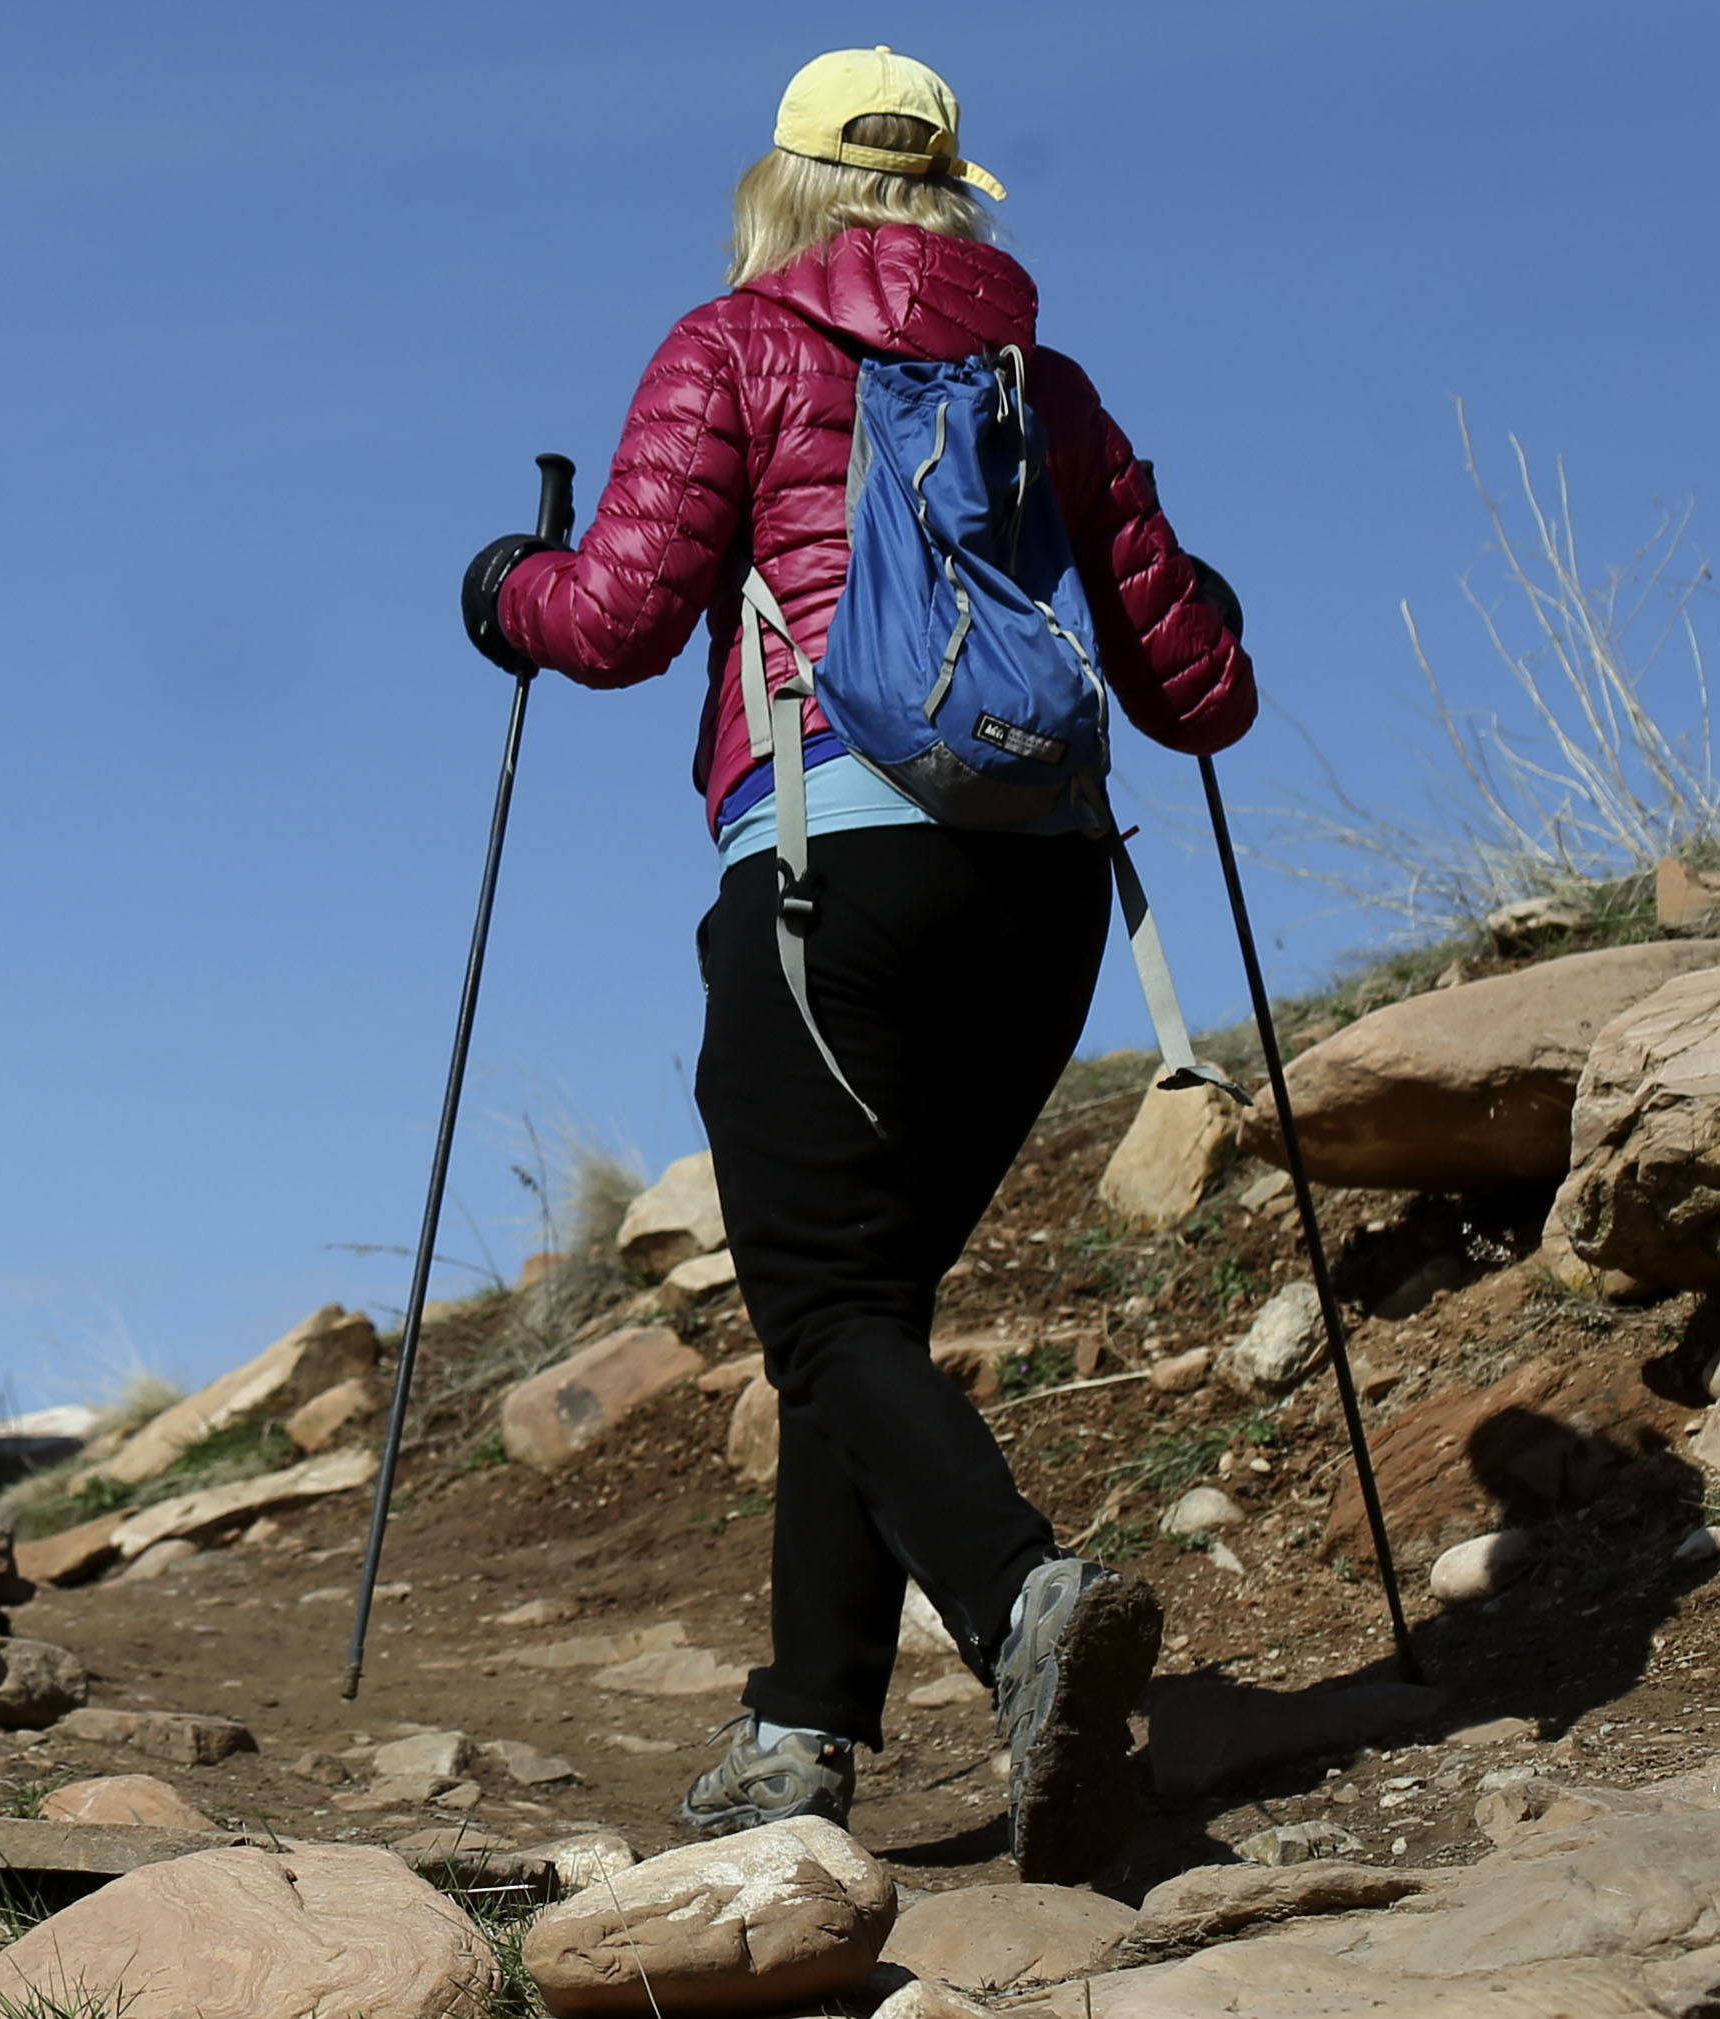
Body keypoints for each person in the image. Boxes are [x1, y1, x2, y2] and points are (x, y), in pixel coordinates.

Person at [465, 48, 1255, 1883]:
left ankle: (1020, 1596)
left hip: (835, 880)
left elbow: (616, 618)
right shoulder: (1042, 384)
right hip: (1047, 900)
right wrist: (1187, 581)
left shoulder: (731, 341)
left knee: (817, 1306)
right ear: (951, 189)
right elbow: (1197, 692)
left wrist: (503, 580)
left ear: (788, 182)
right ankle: (795, 1734)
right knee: (861, 1312)